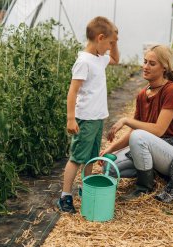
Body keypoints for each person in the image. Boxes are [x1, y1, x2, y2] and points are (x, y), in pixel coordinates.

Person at [100, 45, 173, 203]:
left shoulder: (171, 90)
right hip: (152, 147)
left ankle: (144, 187)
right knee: (109, 167)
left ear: (164, 68)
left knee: (139, 136)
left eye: (152, 64)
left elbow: (158, 130)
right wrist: (110, 149)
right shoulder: (142, 94)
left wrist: (126, 120)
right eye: (145, 62)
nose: (145, 67)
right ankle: (150, 171)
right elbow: (135, 133)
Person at [57, 16, 119, 213]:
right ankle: (65, 196)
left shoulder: (99, 59)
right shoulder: (84, 61)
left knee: (91, 158)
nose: (110, 48)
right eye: (109, 43)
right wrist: (70, 118)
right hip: (85, 118)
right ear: (100, 38)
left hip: (97, 118)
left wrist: (115, 41)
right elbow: (72, 91)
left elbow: (116, 59)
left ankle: (87, 187)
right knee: (76, 157)